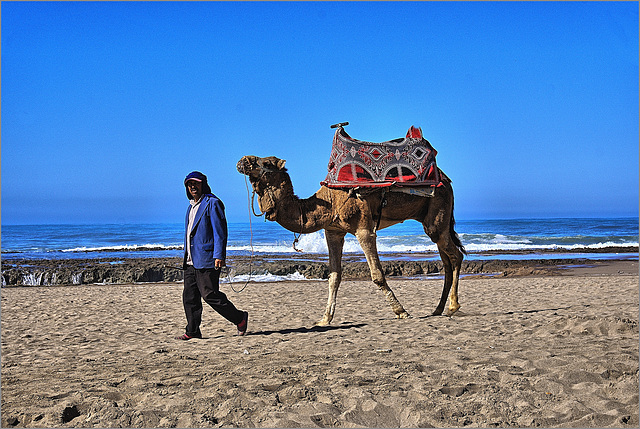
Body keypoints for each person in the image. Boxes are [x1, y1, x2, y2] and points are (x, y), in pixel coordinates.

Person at [175, 171, 248, 340]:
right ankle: (192, 331)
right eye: (190, 184)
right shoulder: (190, 206)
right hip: (190, 260)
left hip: (207, 259)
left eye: (196, 183)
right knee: (189, 297)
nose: (193, 186)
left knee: (210, 295)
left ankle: (239, 318)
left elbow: (220, 232)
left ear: (203, 184)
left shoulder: (212, 203)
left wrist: (219, 255)